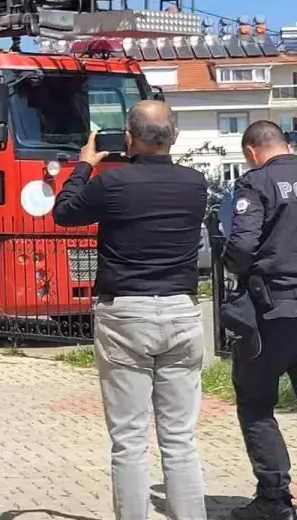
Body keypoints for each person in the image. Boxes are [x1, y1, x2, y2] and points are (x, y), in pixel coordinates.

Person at [54, 100, 208, 520]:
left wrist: (85, 165)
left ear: (128, 138)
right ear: (174, 136)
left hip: (126, 313)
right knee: (180, 439)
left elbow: (64, 214)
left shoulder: (113, 184)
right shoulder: (196, 184)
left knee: (129, 439)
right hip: (180, 311)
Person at [223, 120, 297, 520]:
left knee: (256, 404)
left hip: (272, 313)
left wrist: (234, 265)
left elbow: (242, 245)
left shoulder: (255, 183)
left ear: (252, 151)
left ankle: (274, 498)